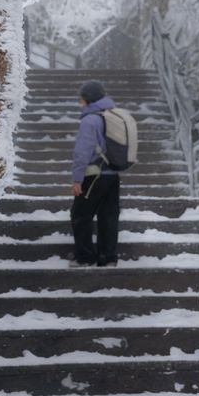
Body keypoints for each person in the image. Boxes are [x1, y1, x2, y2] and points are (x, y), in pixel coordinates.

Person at [69, 80, 120, 267]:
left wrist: (77, 179)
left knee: (80, 215)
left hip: (93, 174)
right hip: (112, 174)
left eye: (81, 99)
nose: (80, 103)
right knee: (108, 216)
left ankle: (85, 257)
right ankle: (109, 258)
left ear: (88, 99)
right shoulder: (111, 115)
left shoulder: (90, 120)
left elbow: (83, 152)